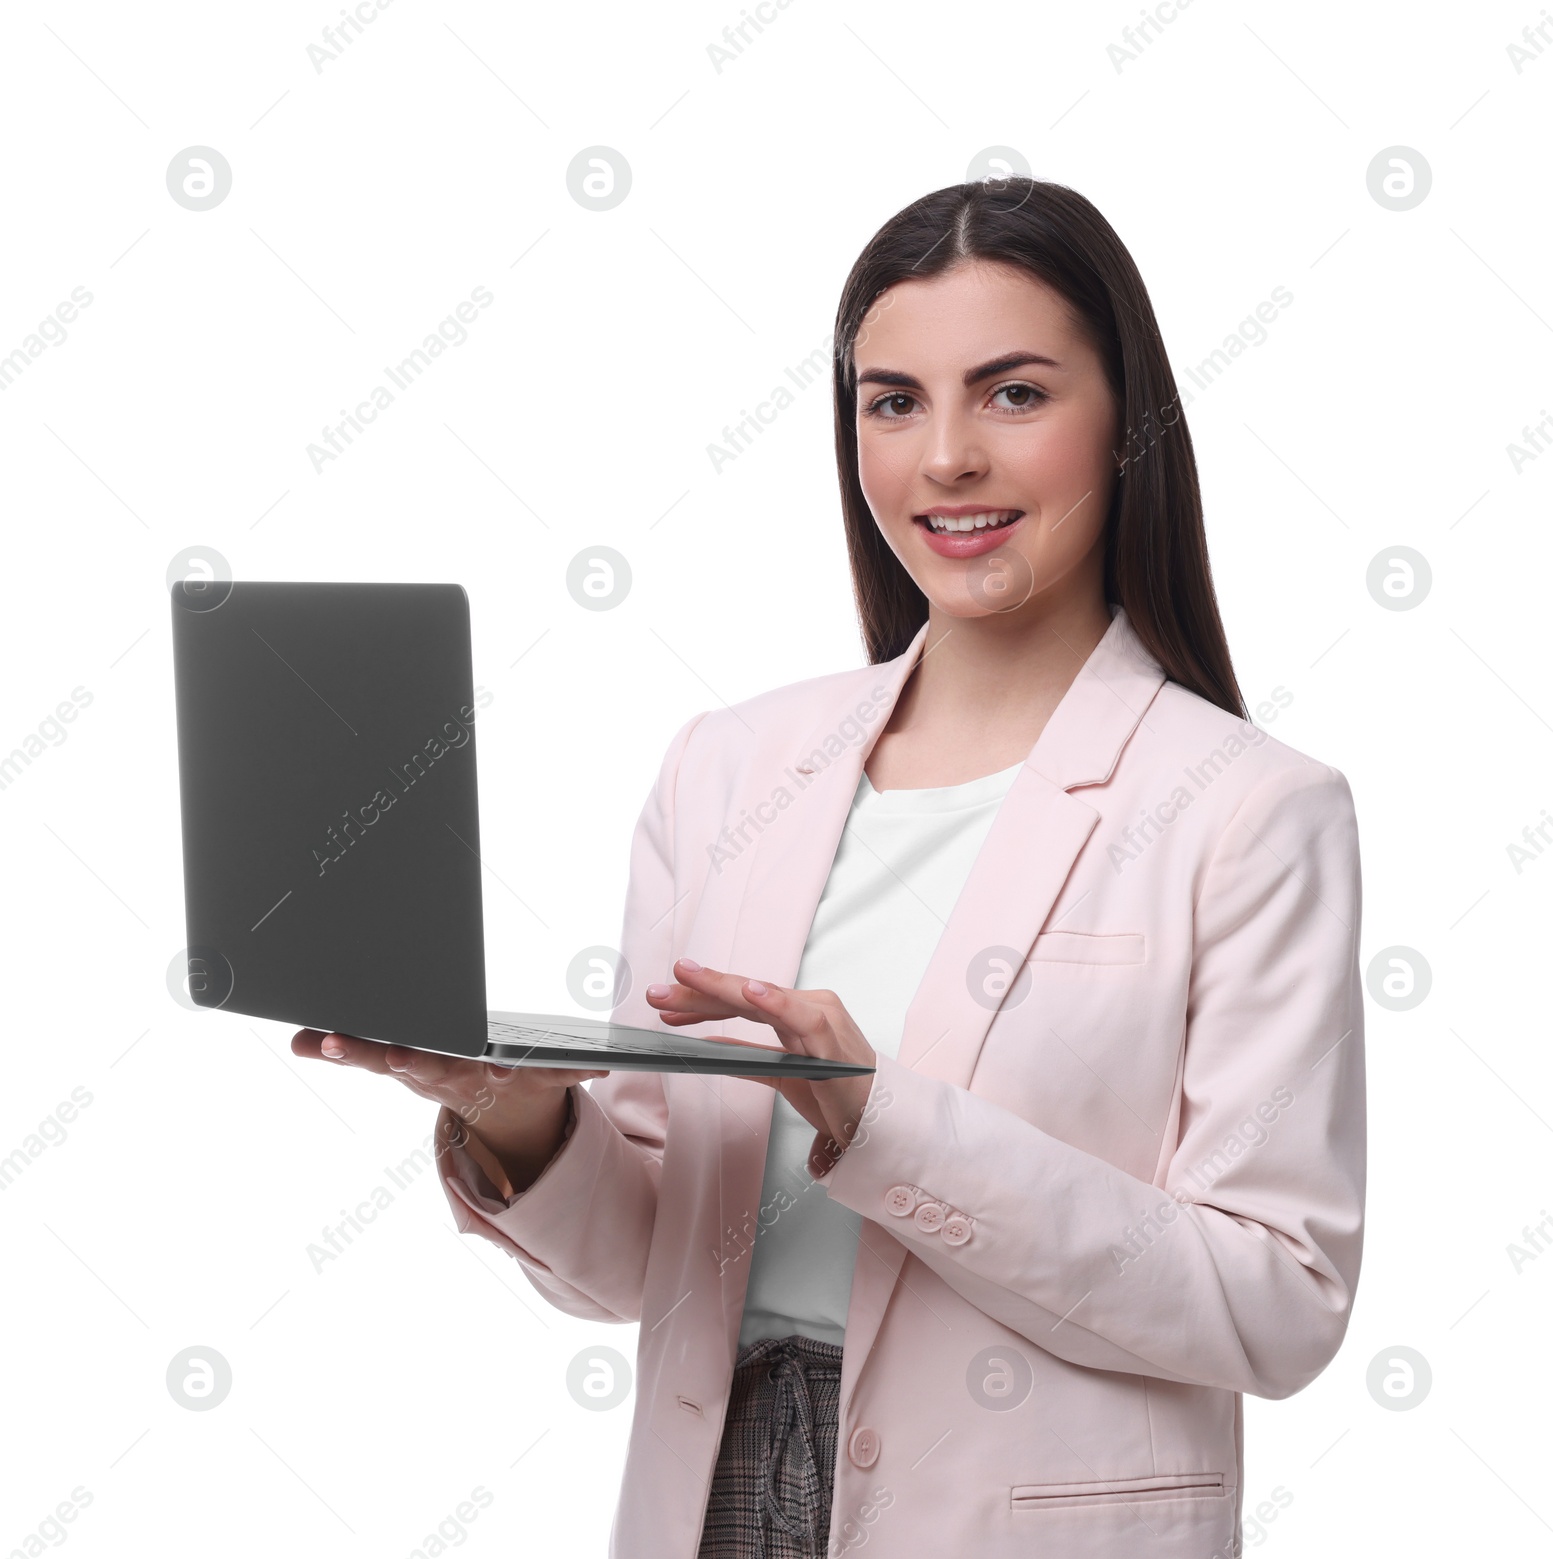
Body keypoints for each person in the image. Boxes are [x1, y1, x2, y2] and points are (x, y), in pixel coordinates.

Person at [293, 178, 1365, 1559]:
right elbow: (643, 1269)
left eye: (1016, 394)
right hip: (717, 1492)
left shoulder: (1250, 811)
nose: (946, 459)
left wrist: (878, 1120)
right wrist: (519, 1119)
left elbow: (1277, 1305)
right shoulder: (731, 768)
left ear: (1132, 421)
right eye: (893, 401)